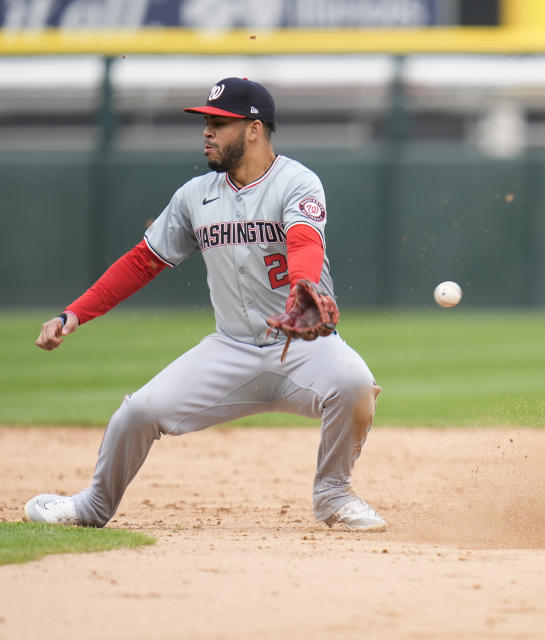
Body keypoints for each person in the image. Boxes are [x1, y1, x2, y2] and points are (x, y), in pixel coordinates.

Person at [25, 77, 387, 532]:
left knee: (355, 384)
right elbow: (142, 262)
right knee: (137, 413)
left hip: (303, 344)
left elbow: (304, 239)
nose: (207, 131)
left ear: (254, 129)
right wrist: (73, 313)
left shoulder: (296, 182)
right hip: (230, 349)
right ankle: (91, 507)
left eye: (219, 122)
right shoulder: (196, 196)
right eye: (206, 122)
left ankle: (334, 494)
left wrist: (302, 288)